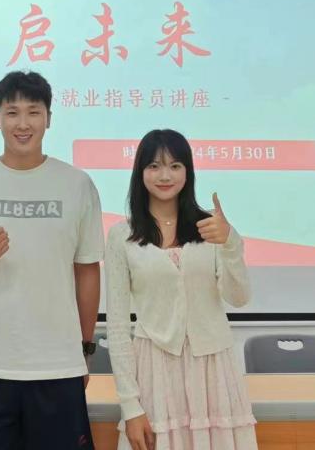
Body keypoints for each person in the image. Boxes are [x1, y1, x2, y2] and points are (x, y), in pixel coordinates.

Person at [0, 70, 105, 450]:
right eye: (12, 112)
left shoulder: (77, 184)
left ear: (49, 118)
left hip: (57, 364)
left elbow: (87, 270)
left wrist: (84, 349)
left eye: (34, 112)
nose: (23, 123)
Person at [105, 129, 257, 450]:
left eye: (175, 166)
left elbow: (239, 297)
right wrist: (130, 407)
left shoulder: (212, 227)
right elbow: (117, 327)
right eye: (154, 166)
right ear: (140, 172)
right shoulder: (122, 236)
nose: (165, 176)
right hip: (154, 370)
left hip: (213, 371)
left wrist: (230, 242)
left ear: (188, 172)